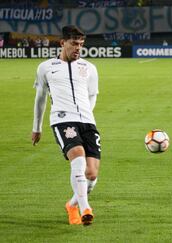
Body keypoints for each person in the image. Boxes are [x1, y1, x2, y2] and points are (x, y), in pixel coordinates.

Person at [32, 25, 101, 225]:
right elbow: (40, 98)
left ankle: (72, 204)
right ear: (62, 43)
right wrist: (37, 127)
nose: (78, 48)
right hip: (62, 119)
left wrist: (87, 113)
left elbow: (92, 95)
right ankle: (84, 208)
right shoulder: (46, 67)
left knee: (91, 174)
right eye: (74, 44)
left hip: (87, 122)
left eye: (81, 44)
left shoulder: (89, 68)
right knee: (77, 159)